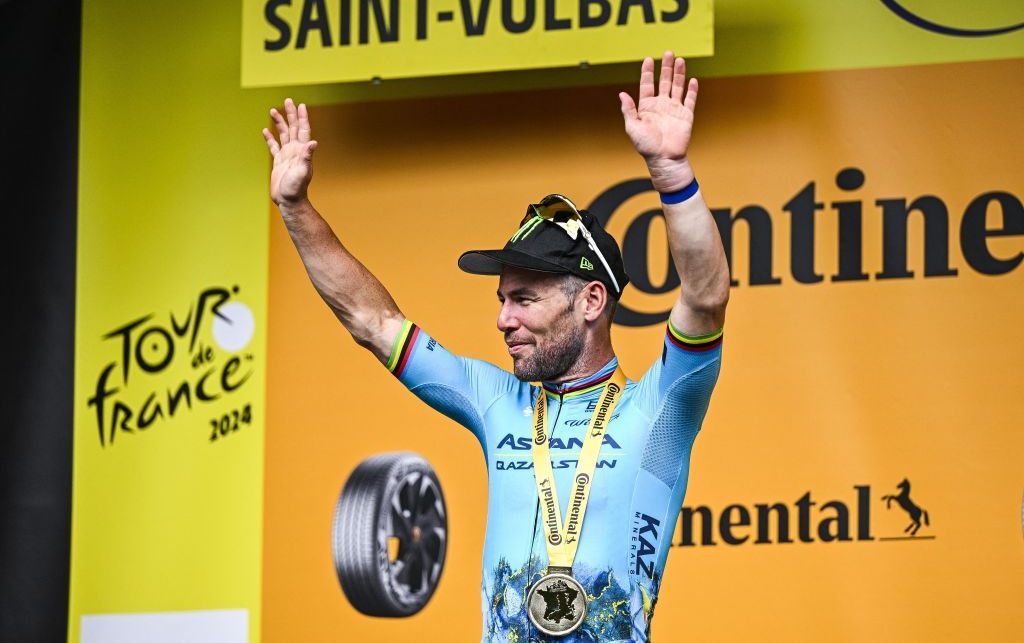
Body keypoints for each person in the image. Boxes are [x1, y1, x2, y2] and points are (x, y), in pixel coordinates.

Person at [262, 51, 730, 642]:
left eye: (525, 299)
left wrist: (671, 173)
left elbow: (705, 297)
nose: (503, 319)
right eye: (502, 299)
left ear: (591, 300)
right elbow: (372, 321)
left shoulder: (659, 410)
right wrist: (295, 209)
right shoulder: (496, 401)